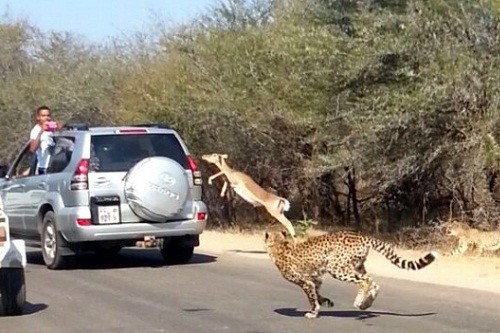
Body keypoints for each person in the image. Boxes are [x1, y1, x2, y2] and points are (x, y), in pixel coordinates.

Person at [29, 106, 64, 175]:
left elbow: (64, 124)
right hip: (44, 168)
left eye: (48, 115)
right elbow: (32, 149)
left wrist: (58, 126)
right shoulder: (35, 130)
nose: (46, 118)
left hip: (57, 166)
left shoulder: (52, 128)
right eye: (43, 116)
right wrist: (41, 131)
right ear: (38, 117)